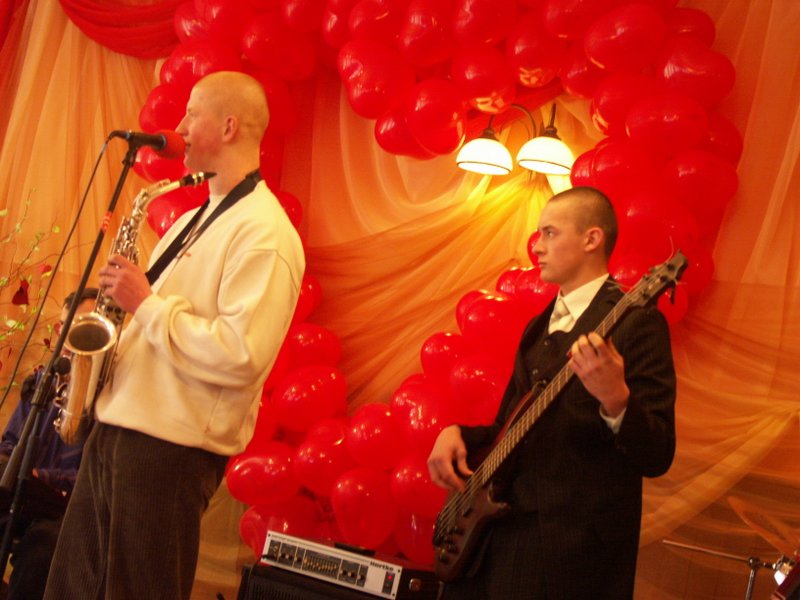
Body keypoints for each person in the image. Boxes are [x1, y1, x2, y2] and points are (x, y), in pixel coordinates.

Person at [43, 71, 305, 600]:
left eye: (192, 113)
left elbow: (242, 355)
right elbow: (152, 323)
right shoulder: (196, 216)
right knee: (72, 587)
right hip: (119, 430)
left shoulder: (265, 232)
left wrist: (146, 304)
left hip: (168, 450)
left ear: (228, 127)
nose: (179, 126)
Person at [427, 186, 676, 600]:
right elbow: (508, 428)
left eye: (550, 233)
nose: (537, 247)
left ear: (591, 239)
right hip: (494, 542)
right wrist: (457, 434)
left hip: (569, 561)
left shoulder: (638, 323)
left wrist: (617, 399)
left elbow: (658, 452)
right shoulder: (536, 327)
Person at [0, 287, 97, 600]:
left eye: (85, 327)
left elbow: (92, 479)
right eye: (69, 326)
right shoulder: (42, 382)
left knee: (43, 548)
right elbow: (10, 441)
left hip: (66, 510)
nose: (73, 337)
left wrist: (42, 477)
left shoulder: (107, 397)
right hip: (26, 495)